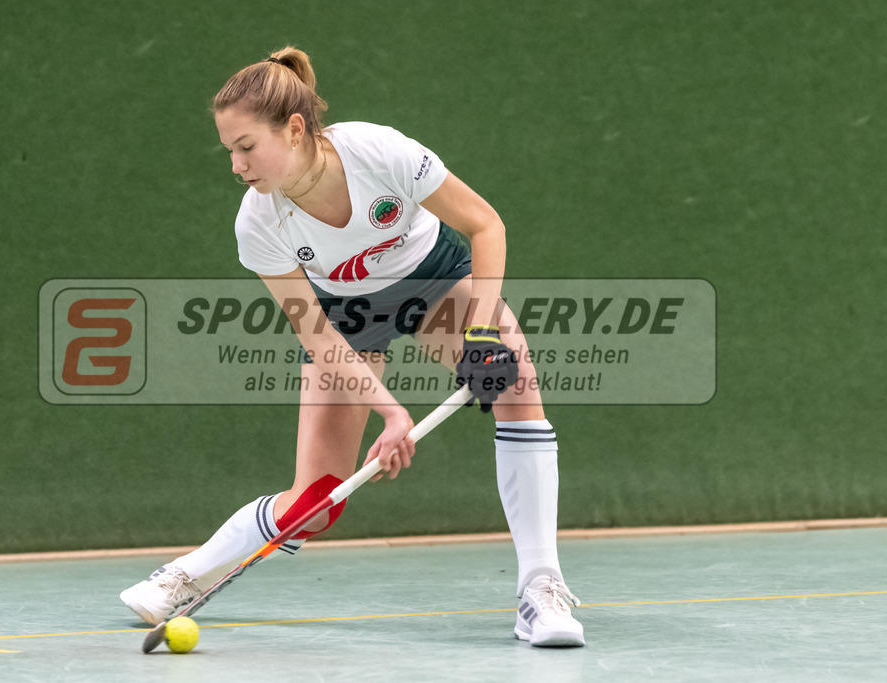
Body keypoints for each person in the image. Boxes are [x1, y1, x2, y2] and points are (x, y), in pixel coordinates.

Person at [120, 46, 585, 648]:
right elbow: (315, 331)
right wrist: (392, 414)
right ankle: (186, 574)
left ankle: (541, 590)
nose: (236, 166)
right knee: (314, 502)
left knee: (517, 389)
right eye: (229, 150)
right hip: (345, 315)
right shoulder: (259, 223)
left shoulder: (378, 150)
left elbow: (485, 224)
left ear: (292, 130)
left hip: (434, 280)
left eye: (245, 147)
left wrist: (483, 334)